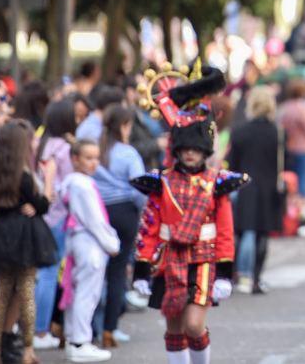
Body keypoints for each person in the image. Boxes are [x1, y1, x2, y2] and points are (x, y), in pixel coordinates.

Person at [130, 65, 247, 364]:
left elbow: (225, 230)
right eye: (186, 149)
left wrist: (224, 271)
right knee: (174, 326)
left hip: (203, 259)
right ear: (178, 149)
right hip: (169, 257)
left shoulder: (216, 184)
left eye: (197, 149)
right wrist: (142, 266)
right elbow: (150, 227)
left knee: (194, 325)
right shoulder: (162, 182)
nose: (191, 154)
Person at [0, 119, 59, 364]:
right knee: (26, 290)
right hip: (24, 236)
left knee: (2, 291)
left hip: (1, 233)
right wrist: (48, 179)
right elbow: (42, 206)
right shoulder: (25, 175)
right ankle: (28, 349)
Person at [59, 140, 119, 362]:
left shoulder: (73, 182)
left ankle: (75, 339)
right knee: (87, 293)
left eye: (96, 158)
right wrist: (111, 244)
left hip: (78, 240)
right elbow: (95, 221)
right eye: (88, 158)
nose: (94, 163)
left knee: (76, 292)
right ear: (75, 159)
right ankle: (80, 342)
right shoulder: (82, 185)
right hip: (89, 242)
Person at [93, 105, 146, 348]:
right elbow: (140, 188)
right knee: (117, 272)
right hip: (124, 212)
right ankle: (109, 329)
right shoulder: (128, 153)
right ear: (124, 126)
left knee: (92, 272)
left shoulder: (95, 149)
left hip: (96, 213)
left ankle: (85, 325)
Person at [226, 86, 283, 294]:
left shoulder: (240, 131)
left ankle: (230, 277)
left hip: (245, 186)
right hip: (269, 188)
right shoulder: (277, 132)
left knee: (239, 232)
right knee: (262, 234)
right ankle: (256, 279)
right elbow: (285, 162)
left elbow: (231, 162)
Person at [31, 100, 78, 351]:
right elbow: (71, 183)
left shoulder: (42, 144)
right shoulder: (66, 149)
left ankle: (35, 328)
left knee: (39, 274)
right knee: (49, 274)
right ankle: (40, 331)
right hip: (59, 216)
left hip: (41, 216)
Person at [280, 79, 305, 212]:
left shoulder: (285, 107)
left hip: (289, 147)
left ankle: (292, 209)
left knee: (293, 181)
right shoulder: (301, 108)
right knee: (303, 180)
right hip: (303, 148)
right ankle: (302, 211)